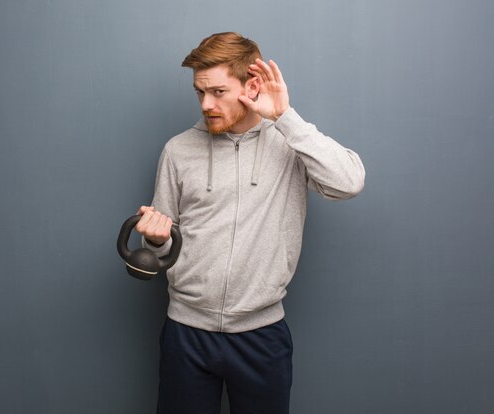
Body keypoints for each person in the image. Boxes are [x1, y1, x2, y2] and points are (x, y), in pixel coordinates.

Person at [133, 32, 365, 414]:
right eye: (199, 92)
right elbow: (161, 248)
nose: (206, 104)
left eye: (218, 92)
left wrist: (286, 119)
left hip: (262, 337)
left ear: (251, 85)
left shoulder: (290, 143)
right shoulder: (178, 150)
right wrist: (156, 242)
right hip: (186, 333)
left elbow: (349, 183)